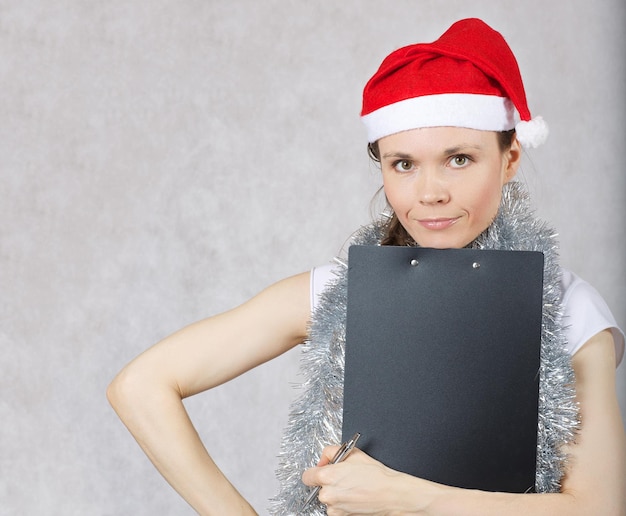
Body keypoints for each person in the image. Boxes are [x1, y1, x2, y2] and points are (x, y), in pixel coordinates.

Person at [107, 18, 625, 515]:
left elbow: (598, 508)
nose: (430, 193)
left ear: (510, 156)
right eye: (403, 164)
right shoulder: (338, 293)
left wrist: (402, 497)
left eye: (459, 159)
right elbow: (141, 386)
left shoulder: (568, 312)